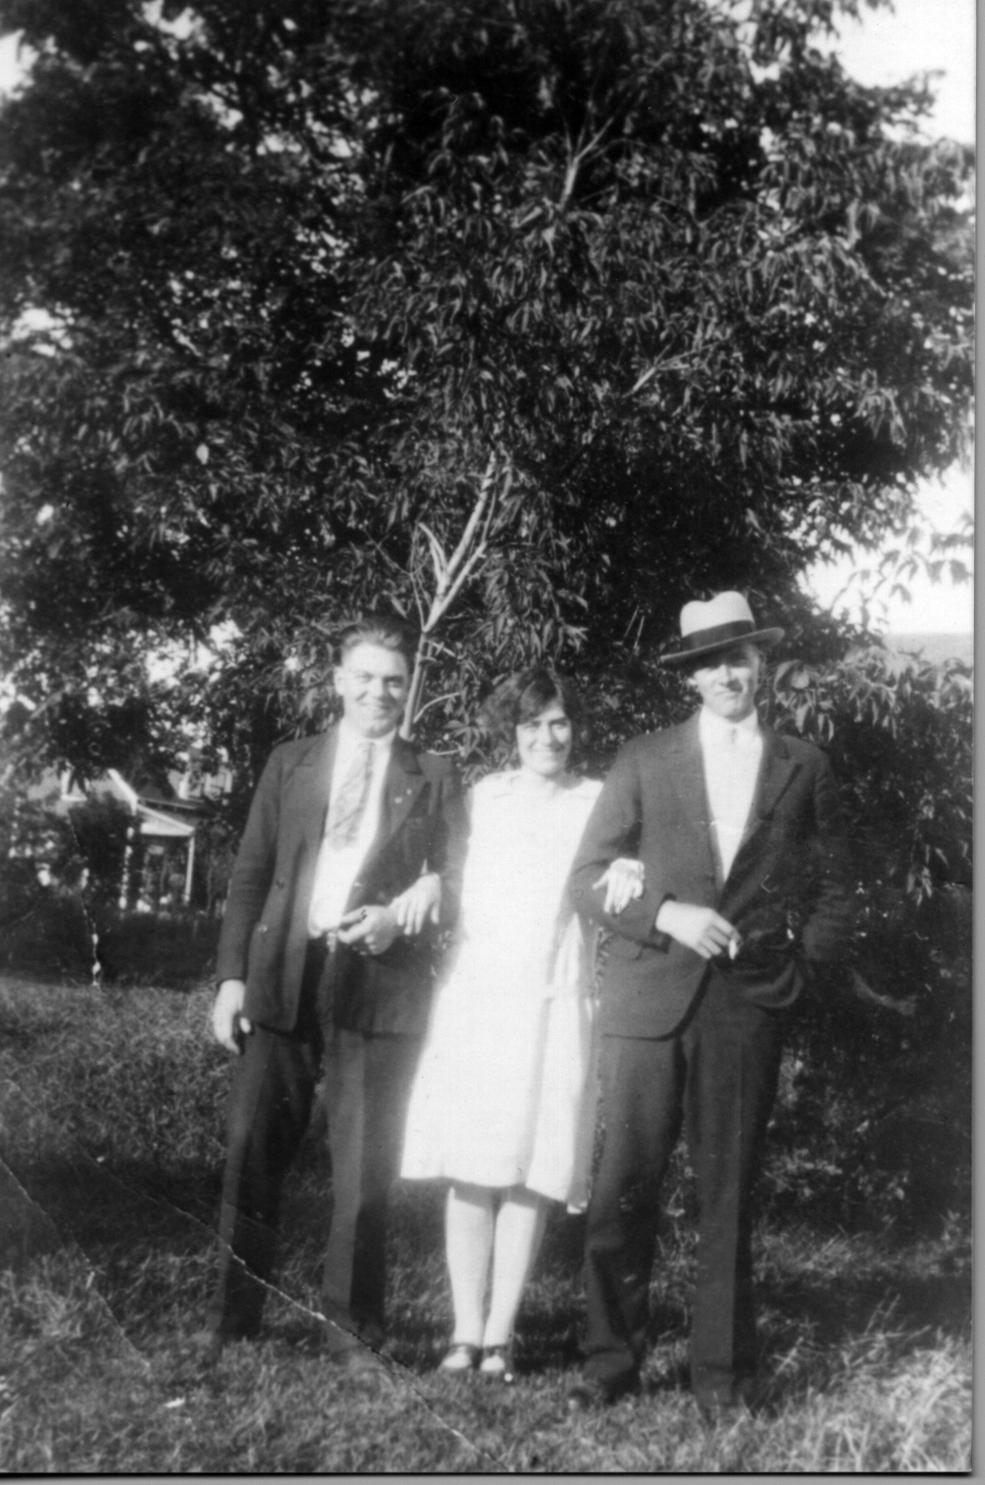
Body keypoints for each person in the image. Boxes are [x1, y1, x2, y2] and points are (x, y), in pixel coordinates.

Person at [566, 591, 853, 1420]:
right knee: (624, 1183)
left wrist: (799, 972)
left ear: (760, 663)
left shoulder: (804, 763)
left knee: (726, 1191)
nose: (726, 674)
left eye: (738, 658)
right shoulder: (644, 757)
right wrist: (665, 914)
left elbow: (839, 886)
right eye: (709, 663)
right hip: (646, 998)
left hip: (746, 1003)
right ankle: (609, 1362)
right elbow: (586, 876)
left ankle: (722, 1377)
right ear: (689, 677)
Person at [202, 613, 466, 1368]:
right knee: (251, 1147)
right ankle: (232, 1320)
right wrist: (230, 979)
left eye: (394, 680)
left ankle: (353, 1332)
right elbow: (250, 874)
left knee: (363, 1167)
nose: (379, 692)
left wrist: (407, 910)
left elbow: (459, 879)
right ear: (339, 680)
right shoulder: (290, 762)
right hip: (283, 976)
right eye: (366, 677)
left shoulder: (434, 774)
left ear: (408, 686)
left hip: (378, 982)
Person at [401, 668, 637, 1382]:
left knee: (533, 1168)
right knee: (472, 1169)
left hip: (555, 996)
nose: (547, 737)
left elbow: (625, 864)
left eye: (559, 722)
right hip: (480, 998)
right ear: (513, 731)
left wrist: (631, 863)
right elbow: (447, 872)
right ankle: (463, 1333)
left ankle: (500, 1336)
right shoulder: (483, 798)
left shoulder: (600, 801)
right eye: (532, 724)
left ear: (576, 728)